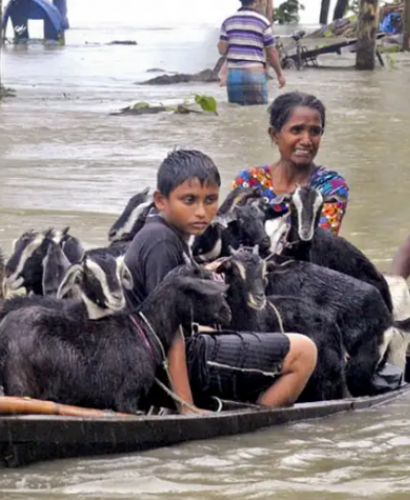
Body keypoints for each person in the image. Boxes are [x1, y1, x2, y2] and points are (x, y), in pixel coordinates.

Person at [124, 149, 317, 414]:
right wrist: (185, 407)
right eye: (189, 200)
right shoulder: (162, 243)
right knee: (304, 352)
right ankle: (252, 424)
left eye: (210, 200)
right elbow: (170, 334)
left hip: (154, 355)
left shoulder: (164, 232)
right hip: (164, 361)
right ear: (161, 200)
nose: (202, 212)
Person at [232, 92, 349, 235]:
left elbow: (319, 242)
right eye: (296, 130)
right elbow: (234, 235)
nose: (306, 140)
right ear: (275, 135)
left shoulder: (330, 186)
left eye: (314, 131)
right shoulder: (250, 181)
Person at [218, 0, 286, 106]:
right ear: (256, 1)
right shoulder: (263, 22)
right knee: (258, 112)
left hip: (234, 75)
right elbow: (271, 52)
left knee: (236, 114)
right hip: (254, 74)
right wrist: (280, 74)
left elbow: (222, 50)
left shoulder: (228, 22)